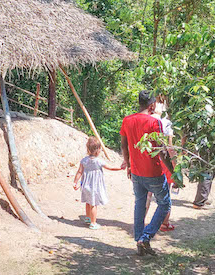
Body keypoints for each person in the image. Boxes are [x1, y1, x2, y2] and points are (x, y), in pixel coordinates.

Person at [120, 90, 172, 256]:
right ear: (152, 105)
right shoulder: (153, 123)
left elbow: (124, 145)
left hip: (136, 172)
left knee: (140, 204)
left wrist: (128, 164)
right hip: (153, 172)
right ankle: (145, 237)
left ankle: (139, 241)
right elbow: (161, 151)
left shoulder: (127, 120)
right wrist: (173, 171)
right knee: (164, 204)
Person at [73, 137, 124, 230]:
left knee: (88, 202)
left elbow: (79, 172)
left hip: (85, 185)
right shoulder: (99, 161)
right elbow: (111, 168)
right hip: (94, 187)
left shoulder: (84, 160)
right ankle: (93, 223)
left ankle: (88, 218)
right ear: (99, 150)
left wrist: (75, 182)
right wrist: (121, 168)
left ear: (88, 149)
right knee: (93, 204)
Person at [146, 96, 176, 231]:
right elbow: (170, 148)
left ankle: (140, 222)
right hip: (164, 162)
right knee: (165, 195)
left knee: (148, 194)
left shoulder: (149, 119)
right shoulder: (168, 123)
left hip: (151, 159)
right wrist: (175, 167)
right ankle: (164, 222)